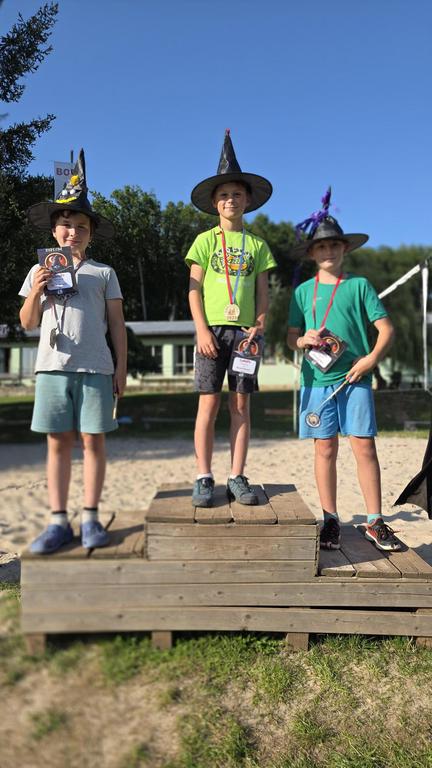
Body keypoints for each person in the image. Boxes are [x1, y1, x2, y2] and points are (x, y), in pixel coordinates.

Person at [20, 149, 127, 554]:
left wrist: (121, 368)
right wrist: (37, 291)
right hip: (51, 367)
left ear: (91, 234)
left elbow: (117, 325)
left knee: (93, 442)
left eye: (81, 226)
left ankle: (91, 517)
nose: (73, 232)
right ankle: (57, 521)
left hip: (96, 368)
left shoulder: (104, 273)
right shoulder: (39, 270)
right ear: (54, 231)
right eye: (65, 225)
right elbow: (28, 322)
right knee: (57, 443)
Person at [287, 188, 400, 552]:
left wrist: (371, 359)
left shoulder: (359, 285)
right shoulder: (302, 292)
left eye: (334, 245)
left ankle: (374, 521)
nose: (328, 251)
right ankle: (330, 520)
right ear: (311, 253)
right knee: (325, 449)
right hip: (316, 382)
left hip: (355, 378)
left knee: (364, 447)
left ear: (345, 248)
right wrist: (302, 340)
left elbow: (386, 330)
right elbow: (291, 337)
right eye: (321, 246)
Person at [186, 130, 276, 507]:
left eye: (237, 194)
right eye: (223, 195)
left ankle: (237, 476)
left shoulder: (258, 245)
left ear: (248, 200)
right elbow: (193, 290)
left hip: (245, 337)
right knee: (208, 405)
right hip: (211, 333)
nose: (230, 200)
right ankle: (203, 476)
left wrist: (259, 323)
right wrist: (201, 329)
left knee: (240, 406)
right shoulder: (205, 241)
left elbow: (263, 293)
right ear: (214, 202)